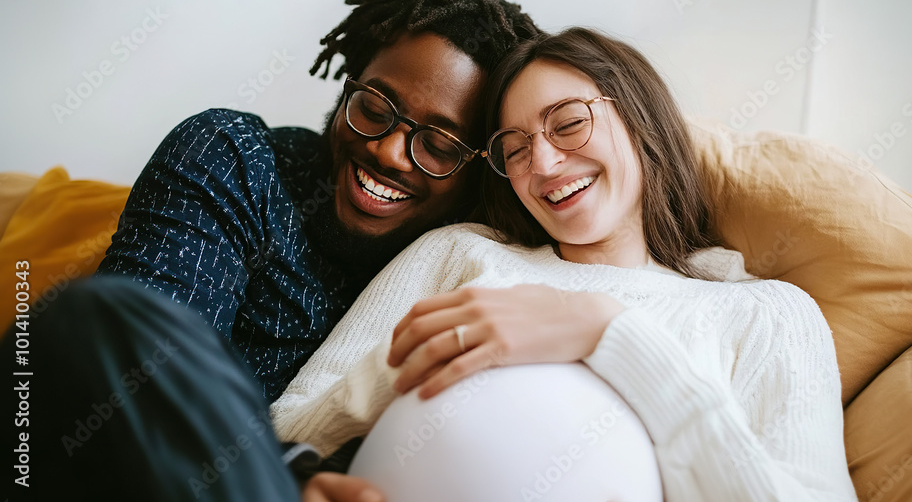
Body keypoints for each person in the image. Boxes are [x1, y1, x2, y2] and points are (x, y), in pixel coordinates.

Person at [1, 0, 585, 502]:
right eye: (376, 108)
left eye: (438, 145)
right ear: (348, 82)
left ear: (481, 170)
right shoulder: (236, 159)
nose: (387, 151)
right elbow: (146, 366)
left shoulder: (470, 265)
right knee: (92, 319)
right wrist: (292, 475)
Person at [270, 28, 859, 501]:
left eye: (569, 123)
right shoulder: (461, 252)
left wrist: (611, 334)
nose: (545, 164)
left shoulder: (763, 313)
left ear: (639, 118)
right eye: (515, 148)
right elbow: (286, 431)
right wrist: (419, 357)